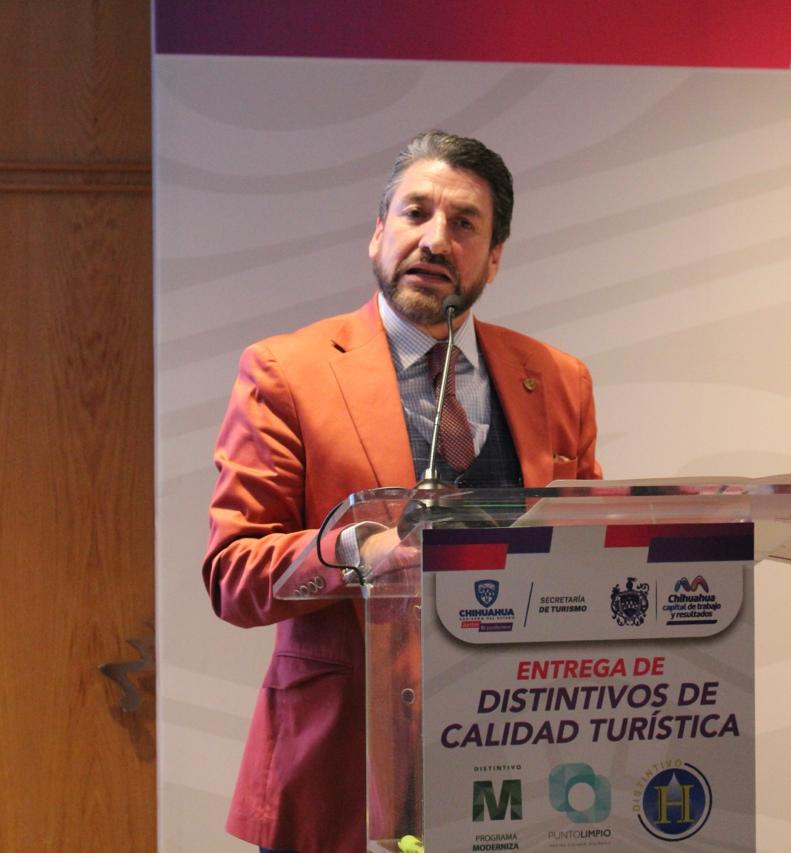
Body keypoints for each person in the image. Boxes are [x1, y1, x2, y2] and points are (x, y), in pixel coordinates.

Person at [203, 130, 601, 853]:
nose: (435, 239)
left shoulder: (558, 379)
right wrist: (357, 551)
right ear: (378, 231)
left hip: (516, 766)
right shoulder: (287, 372)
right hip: (341, 775)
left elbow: (588, 553)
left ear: (495, 256)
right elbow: (233, 574)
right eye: (416, 213)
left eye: (465, 223)